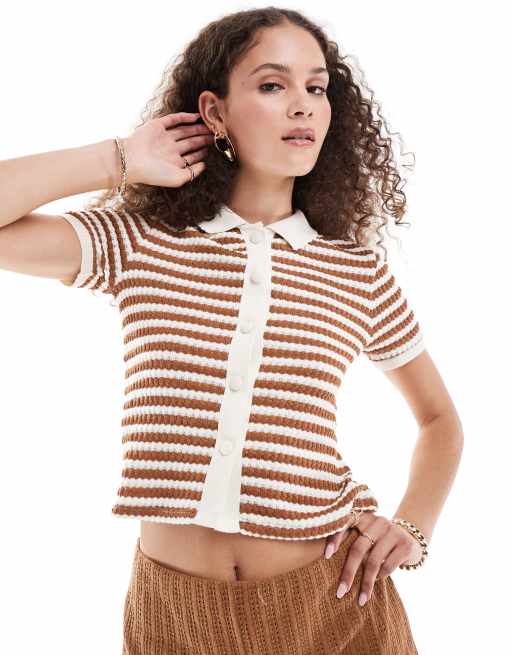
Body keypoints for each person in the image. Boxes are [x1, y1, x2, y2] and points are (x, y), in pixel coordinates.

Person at [0, 6, 464, 654]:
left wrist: (412, 527)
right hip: (174, 618)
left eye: (316, 87)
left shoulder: (354, 271)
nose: (302, 105)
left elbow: (439, 419)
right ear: (213, 112)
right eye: (273, 84)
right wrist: (118, 158)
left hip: (332, 605)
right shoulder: (141, 242)